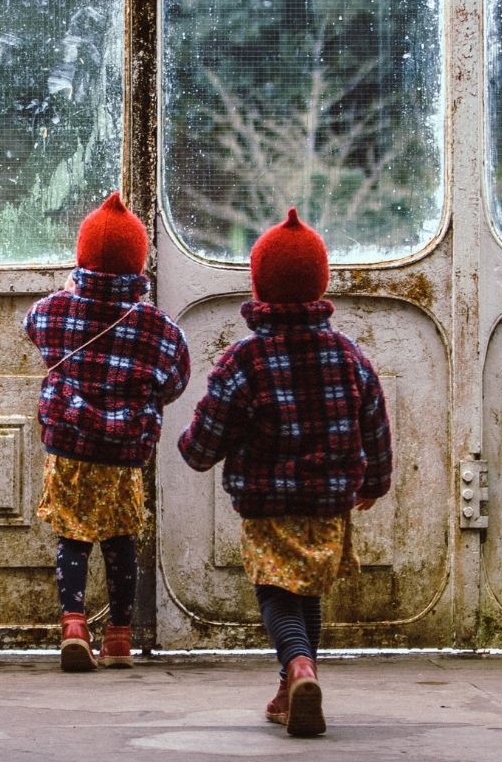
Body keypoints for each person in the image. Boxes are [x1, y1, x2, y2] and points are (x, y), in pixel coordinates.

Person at [177, 208, 392, 737]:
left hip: (269, 504)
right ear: (321, 281)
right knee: (310, 590)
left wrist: (193, 449)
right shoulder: (349, 355)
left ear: (260, 285)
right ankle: (292, 686)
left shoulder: (244, 360)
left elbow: (206, 439)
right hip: (329, 503)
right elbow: (376, 424)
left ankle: (298, 666)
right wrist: (373, 483)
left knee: (277, 591)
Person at [23, 191, 190, 672]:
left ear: (82, 256)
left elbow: (30, 326)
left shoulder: (53, 312)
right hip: (124, 454)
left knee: (72, 537)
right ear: (137, 262)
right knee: (120, 539)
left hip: (70, 450)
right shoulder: (156, 328)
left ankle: (74, 625)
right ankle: (119, 637)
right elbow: (176, 380)